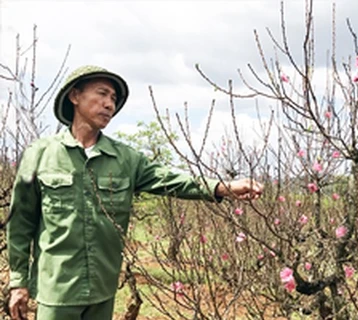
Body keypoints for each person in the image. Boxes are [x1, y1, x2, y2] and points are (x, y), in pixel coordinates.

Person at [7, 65, 263, 320]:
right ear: (75, 96)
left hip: (103, 290)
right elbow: (20, 223)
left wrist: (223, 187)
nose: (109, 104)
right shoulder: (39, 155)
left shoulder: (126, 159)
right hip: (57, 290)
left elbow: (172, 180)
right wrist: (18, 282)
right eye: (102, 94)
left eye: (114, 99)